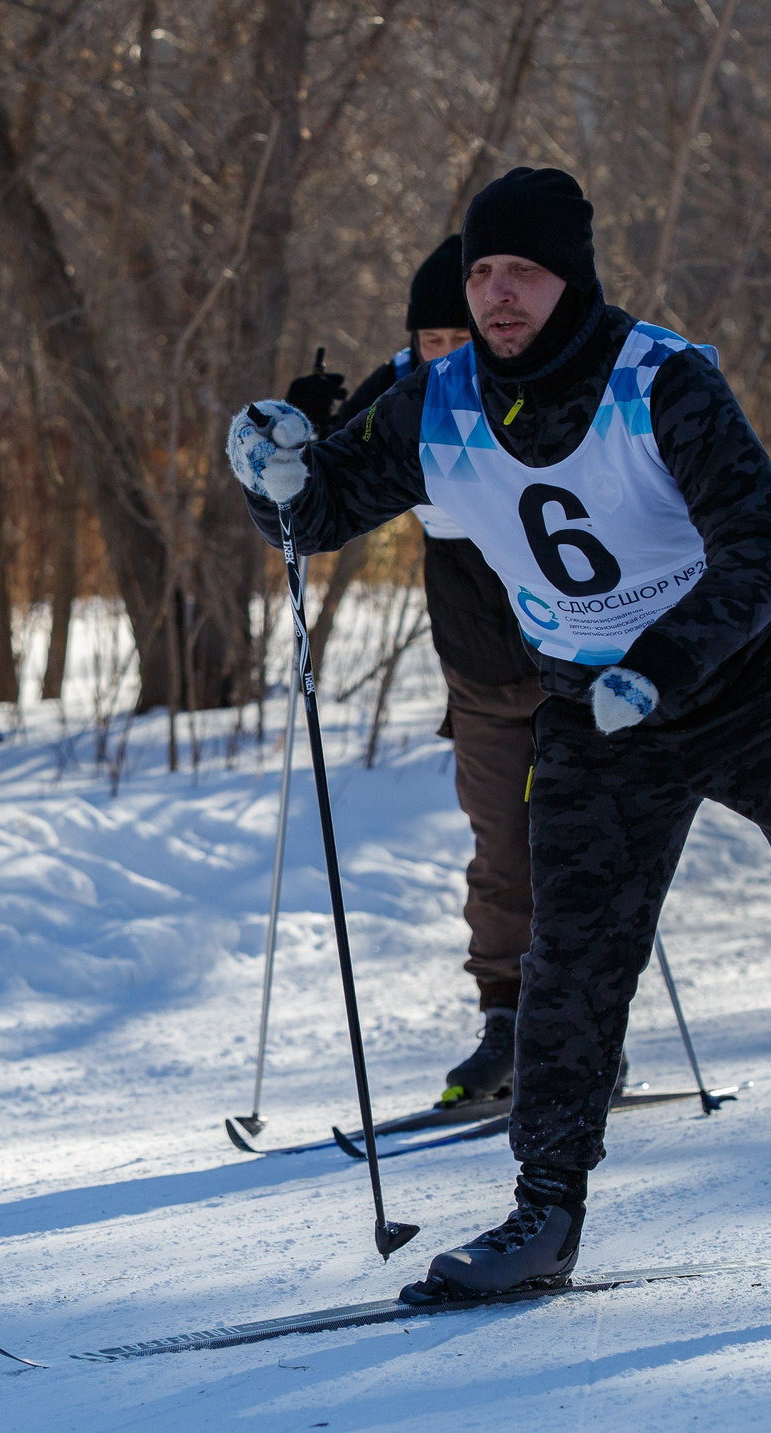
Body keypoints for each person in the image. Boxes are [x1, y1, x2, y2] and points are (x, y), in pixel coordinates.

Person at [225, 168, 771, 1302]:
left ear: (569, 276)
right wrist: (269, 474)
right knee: (572, 959)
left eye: (521, 271)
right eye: (481, 273)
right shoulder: (437, 400)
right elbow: (318, 514)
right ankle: (544, 1214)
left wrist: (664, 667)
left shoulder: (658, 378)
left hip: (751, 679)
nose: (496, 295)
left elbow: (766, 552)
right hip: (588, 705)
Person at [279, 238, 544, 1110]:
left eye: (455, 338)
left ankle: (578, 1032)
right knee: (502, 855)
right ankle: (505, 1022)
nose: (442, 356)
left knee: (581, 857)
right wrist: (303, 431)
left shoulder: (532, 383)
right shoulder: (403, 393)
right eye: (427, 338)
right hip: (476, 669)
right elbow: (321, 491)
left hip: (571, 664)